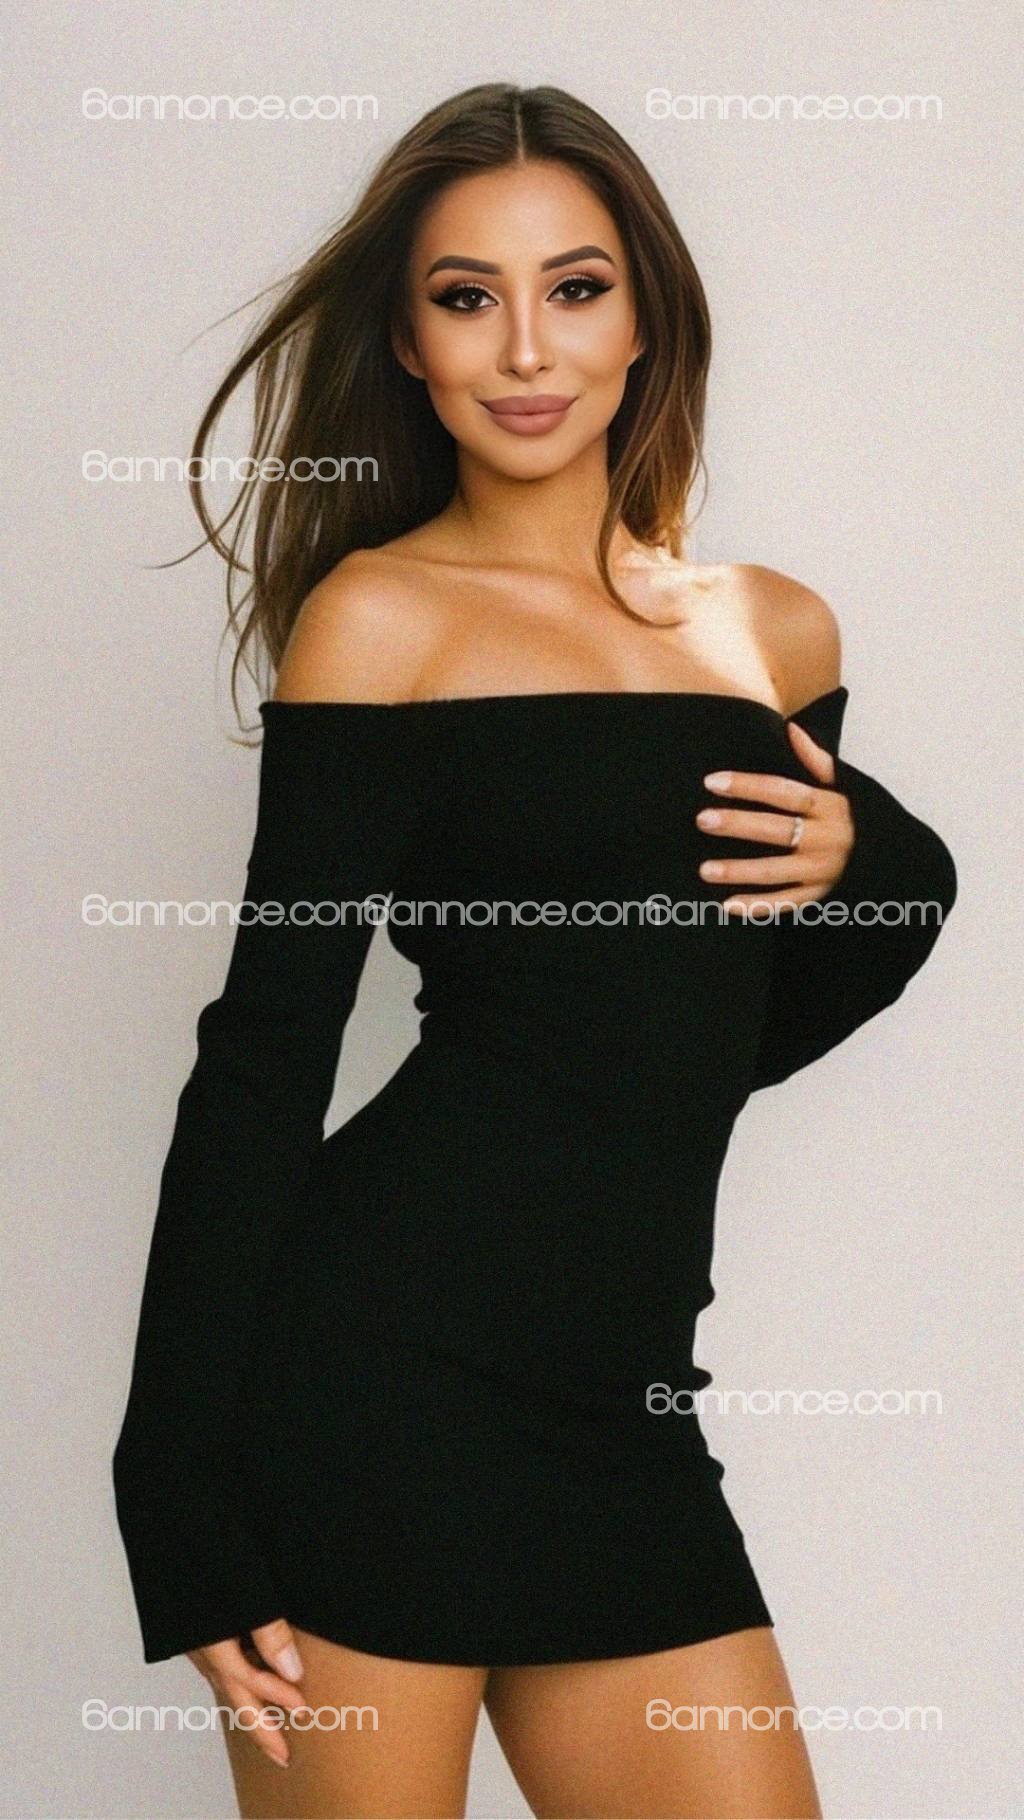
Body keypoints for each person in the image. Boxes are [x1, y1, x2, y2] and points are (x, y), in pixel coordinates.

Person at [111, 82, 958, 1819]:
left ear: (645, 317)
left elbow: (716, 1015)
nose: (523, 348)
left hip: (622, 1409)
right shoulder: (378, 622)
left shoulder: (773, 633)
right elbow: (264, 1055)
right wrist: (171, 1492)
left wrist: (887, 858)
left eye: (574, 288)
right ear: (406, 342)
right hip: (373, 1386)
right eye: (464, 296)